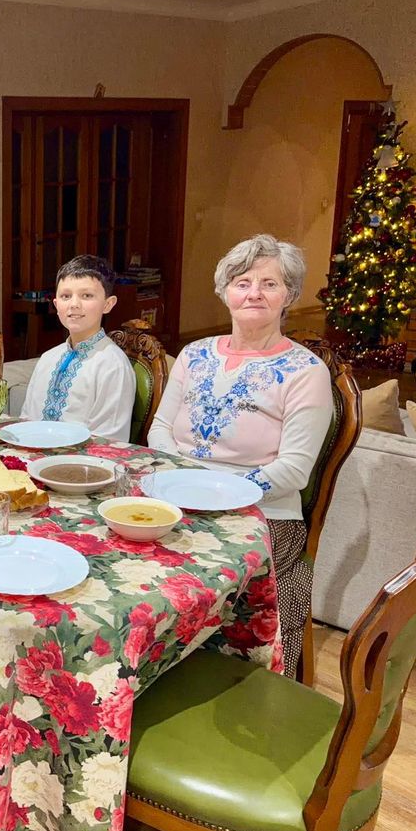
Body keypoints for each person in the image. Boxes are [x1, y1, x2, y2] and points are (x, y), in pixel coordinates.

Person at [148, 235, 332, 676]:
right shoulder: (194, 355)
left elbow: (294, 469)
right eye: (242, 282)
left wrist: (213, 494)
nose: (254, 293)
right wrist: (184, 484)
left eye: (269, 283)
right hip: (179, 498)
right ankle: (151, 674)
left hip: (263, 514)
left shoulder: (306, 372)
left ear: (289, 294)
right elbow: (159, 430)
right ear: (225, 291)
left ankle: (220, 680)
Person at [20, 255, 135, 441]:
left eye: (86, 296)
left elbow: (108, 440)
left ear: (108, 304)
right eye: (66, 296)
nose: (74, 304)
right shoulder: (48, 358)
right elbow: (26, 420)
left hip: (84, 457)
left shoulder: (113, 365)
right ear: (56, 304)